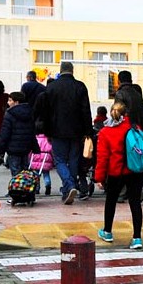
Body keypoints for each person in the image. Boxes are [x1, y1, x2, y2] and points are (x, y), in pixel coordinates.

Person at [35, 61, 93, 205]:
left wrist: (46, 130)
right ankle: (68, 188)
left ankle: (69, 185)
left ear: (60, 71)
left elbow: (45, 113)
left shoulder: (51, 87)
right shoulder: (80, 86)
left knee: (59, 160)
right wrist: (88, 131)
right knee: (73, 159)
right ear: (72, 71)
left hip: (56, 130)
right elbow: (86, 110)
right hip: (76, 131)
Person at [95, 102, 143, 249]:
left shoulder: (105, 132)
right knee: (135, 202)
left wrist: (99, 177)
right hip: (134, 170)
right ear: (126, 114)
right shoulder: (134, 128)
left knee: (111, 201)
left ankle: (107, 231)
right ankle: (137, 238)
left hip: (115, 171)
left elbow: (102, 157)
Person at [114, 70, 143, 201]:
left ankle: (124, 191)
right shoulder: (137, 93)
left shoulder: (120, 94)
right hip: (140, 132)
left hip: (127, 132)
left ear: (119, 81)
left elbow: (118, 113)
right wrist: (142, 129)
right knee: (141, 159)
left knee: (125, 161)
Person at [0, 92, 38, 177]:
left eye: (10, 100)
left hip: (13, 150)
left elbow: (5, 134)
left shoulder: (9, 114)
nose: (8, 103)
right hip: (26, 148)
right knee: (26, 173)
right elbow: (32, 132)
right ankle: (26, 188)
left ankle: (18, 189)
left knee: (16, 174)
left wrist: (0, 151)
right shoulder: (29, 113)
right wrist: (35, 147)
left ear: (16, 102)